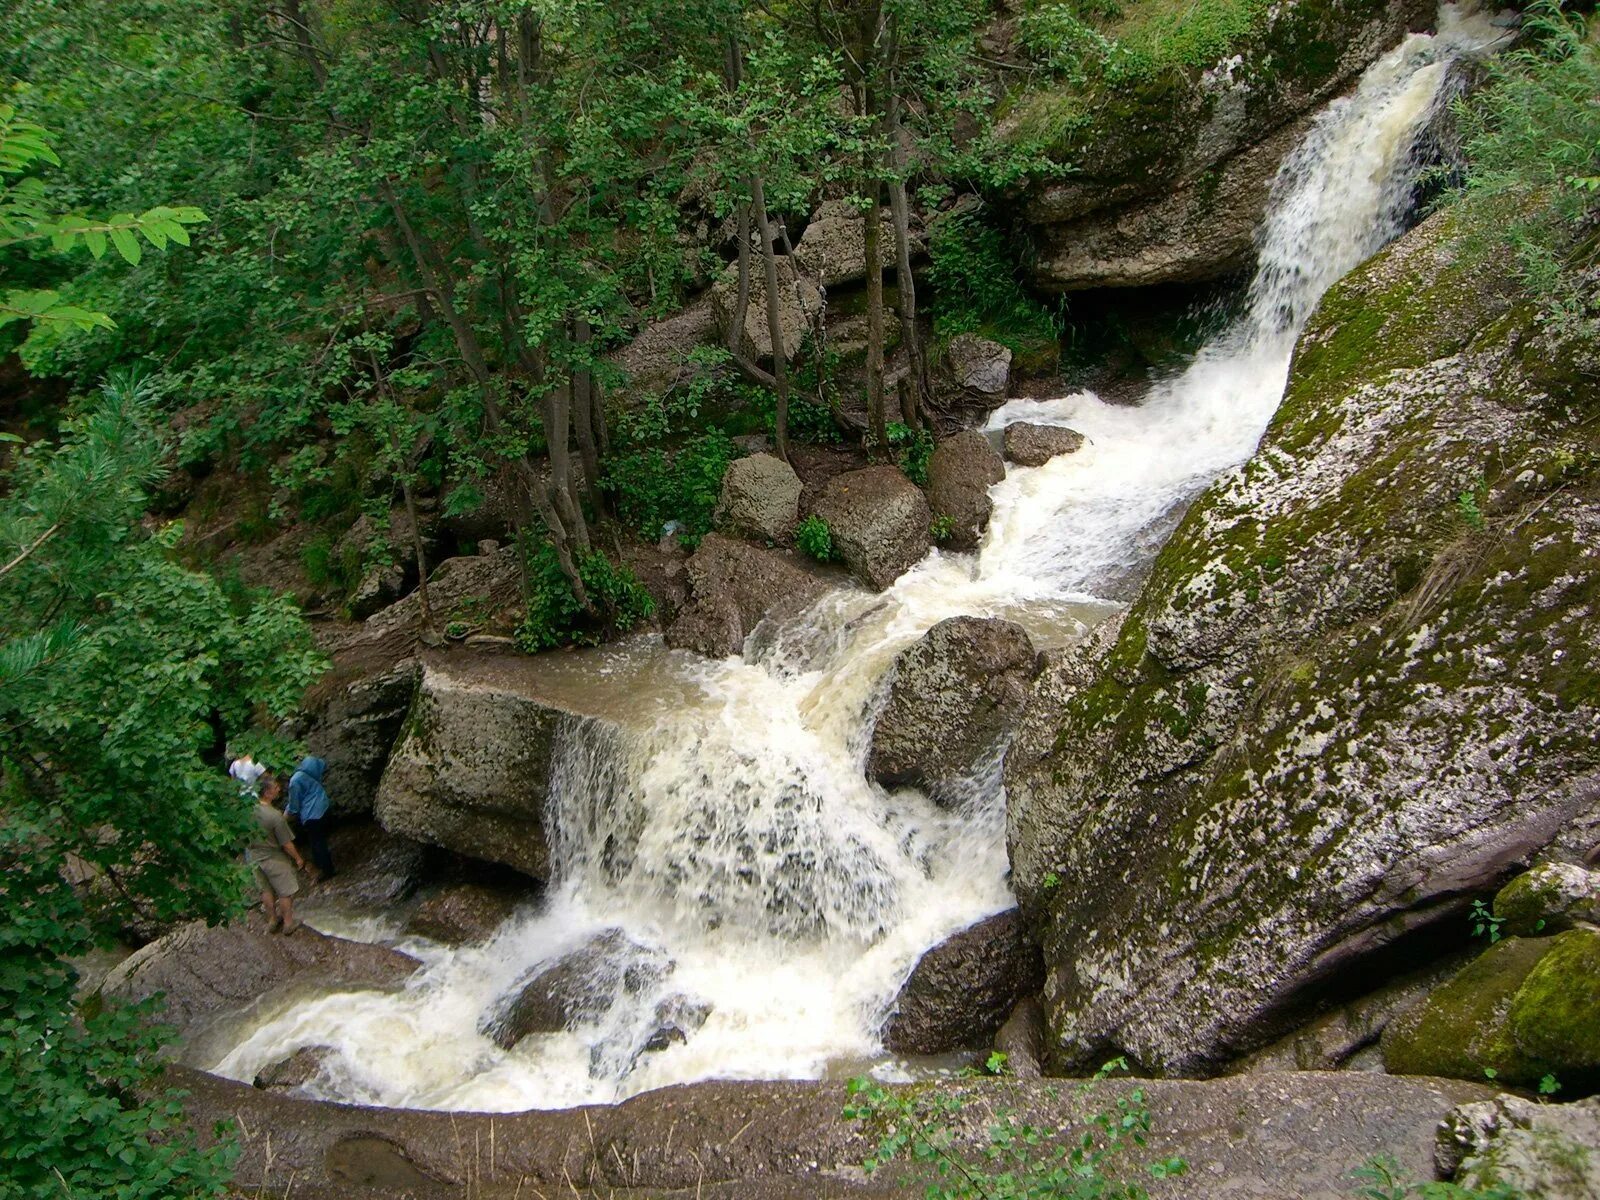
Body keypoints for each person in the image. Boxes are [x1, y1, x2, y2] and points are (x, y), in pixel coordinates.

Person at [248, 773, 305, 934]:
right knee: (285, 891)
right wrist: (298, 859)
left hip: (255, 858)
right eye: (275, 788)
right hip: (273, 857)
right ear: (266, 793)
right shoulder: (275, 816)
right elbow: (286, 844)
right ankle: (288, 923)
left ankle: (272, 920)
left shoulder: (247, 812)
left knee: (265, 890)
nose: (278, 789)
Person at [287, 755, 334, 882]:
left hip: (311, 814)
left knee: (317, 843)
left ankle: (325, 870)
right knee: (321, 840)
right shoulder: (313, 770)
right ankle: (327, 866)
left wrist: (287, 815)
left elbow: (294, 806)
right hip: (323, 806)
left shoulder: (295, 781)